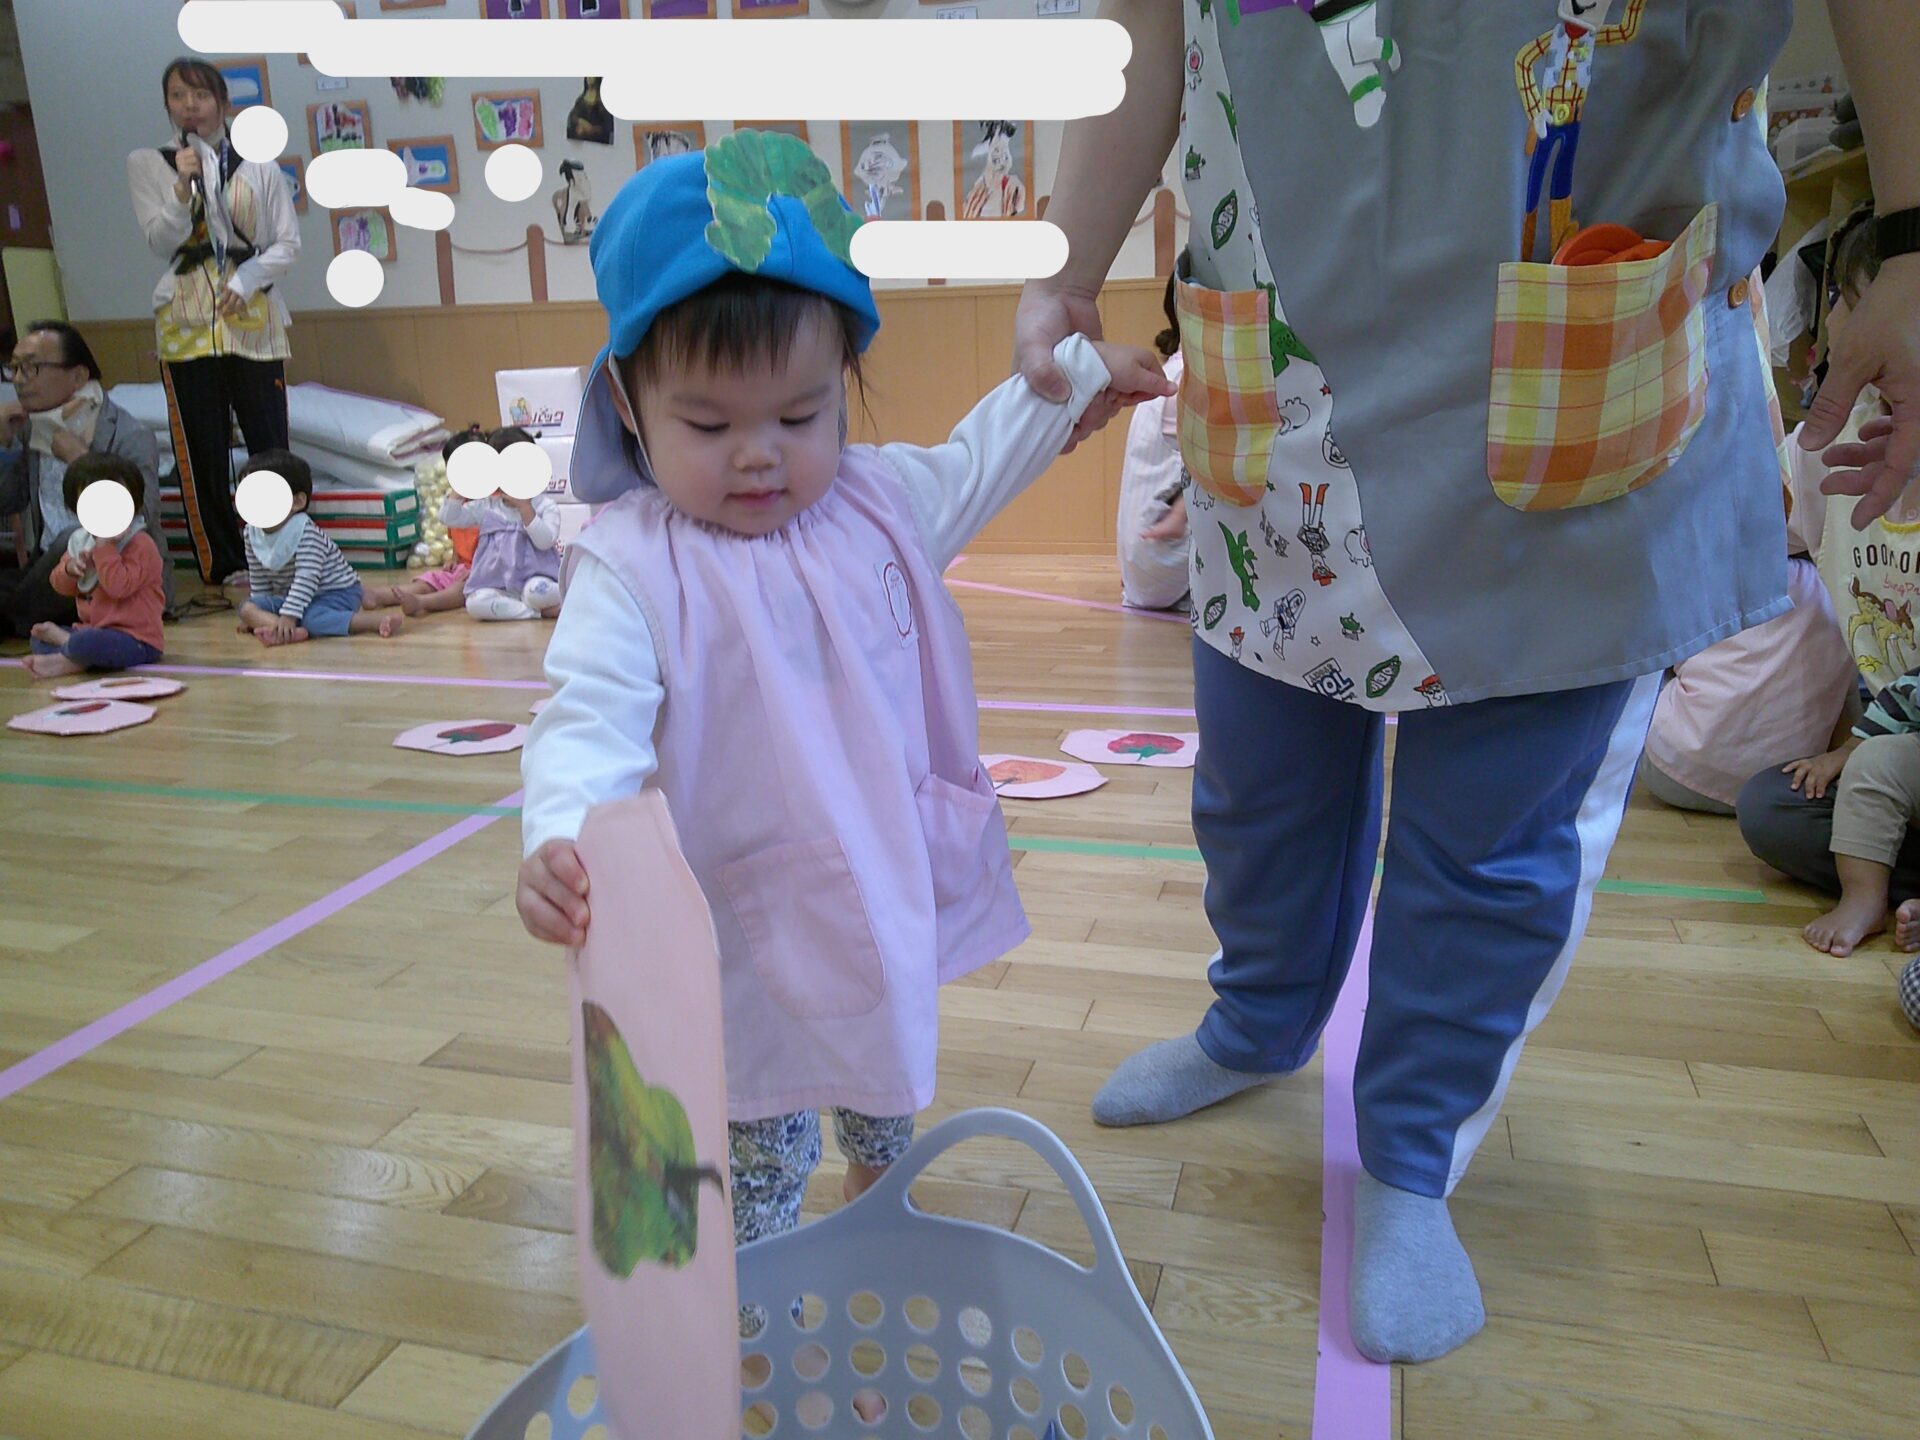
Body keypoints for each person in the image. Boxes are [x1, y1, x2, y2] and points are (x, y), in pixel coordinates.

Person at [1012, 0, 1920, 1365]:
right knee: (1258, 784)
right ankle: (1257, 1021)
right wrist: (1068, 264)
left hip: (1574, 326)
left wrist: (1911, 230)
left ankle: (1411, 1154)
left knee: (1493, 837)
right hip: (1281, 352)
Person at [515, 131, 1170, 1245]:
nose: (759, 455)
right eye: (709, 425)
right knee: (760, 1135)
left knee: (883, 1081)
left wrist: (1077, 384)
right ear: (627, 402)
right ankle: (770, 1296)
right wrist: (564, 836)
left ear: (842, 389)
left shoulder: (875, 503)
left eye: (800, 416)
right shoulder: (633, 568)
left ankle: (878, 1201)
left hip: (875, 878)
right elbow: (586, 724)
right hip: (738, 919)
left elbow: (978, 458)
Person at [128, 57, 300, 601]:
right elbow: (159, 241)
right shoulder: (149, 163)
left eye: (201, 95)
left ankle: (288, 552)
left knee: (268, 445)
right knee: (202, 451)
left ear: (224, 103)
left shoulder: (259, 164)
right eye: (178, 96)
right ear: (167, 105)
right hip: (185, 322)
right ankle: (224, 565)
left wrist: (247, 279)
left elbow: (287, 244)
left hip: (252, 319)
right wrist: (182, 187)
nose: (190, 106)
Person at [0, 322, 173, 636]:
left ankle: (13, 617)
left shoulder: (129, 434)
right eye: (14, 368)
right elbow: (7, 500)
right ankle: (19, 615)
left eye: (32, 368)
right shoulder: (33, 429)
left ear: (78, 376)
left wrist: (81, 460)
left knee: (71, 537)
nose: (19, 380)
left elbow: (141, 516)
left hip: (115, 572)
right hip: (52, 570)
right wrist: (2, 444)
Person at [22, 453, 168, 679]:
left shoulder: (141, 544)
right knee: (38, 639)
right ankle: (75, 652)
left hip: (136, 639)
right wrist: (70, 569)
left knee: (86, 642)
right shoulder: (81, 540)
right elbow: (59, 585)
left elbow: (118, 588)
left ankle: (68, 656)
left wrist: (104, 547)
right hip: (93, 630)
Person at [235, 450, 399, 644]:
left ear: (297, 502)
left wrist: (289, 615)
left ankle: (371, 622)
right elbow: (258, 576)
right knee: (246, 607)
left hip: (335, 592)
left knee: (313, 619)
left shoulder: (306, 533)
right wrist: (259, 612)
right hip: (292, 597)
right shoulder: (251, 532)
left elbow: (307, 577)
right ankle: (283, 630)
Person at [1116, 275, 1191, 612]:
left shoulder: (1170, 370)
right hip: (1159, 558)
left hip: (1140, 565)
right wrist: (1179, 516)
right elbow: (1205, 474)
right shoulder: (1187, 380)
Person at [437, 426, 563, 621]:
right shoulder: (487, 506)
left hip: (534, 581)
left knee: (536, 593)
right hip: (498, 586)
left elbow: (545, 541)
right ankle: (534, 613)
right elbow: (448, 517)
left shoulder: (544, 506)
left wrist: (526, 509)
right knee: (474, 603)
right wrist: (459, 488)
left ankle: (565, 594)